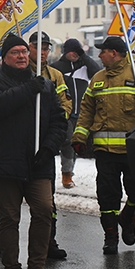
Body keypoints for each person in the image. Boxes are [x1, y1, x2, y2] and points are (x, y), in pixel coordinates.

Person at [0, 34, 66, 269]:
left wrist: (49, 147)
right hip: (7, 163)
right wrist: (28, 89)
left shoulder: (46, 86)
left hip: (39, 164)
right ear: (4, 57)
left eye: (24, 52)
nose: (21, 56)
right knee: (9, 217)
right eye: (15, 52)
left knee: (43, 211)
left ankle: (36, 268)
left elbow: (59, 121)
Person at [72, 36, 135, 254]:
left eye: (102, 51)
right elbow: (86, 111)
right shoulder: (97, 79)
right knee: (107, 196)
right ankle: (110, 236)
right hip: (105, 152)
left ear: (114, 53)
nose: (100, 55)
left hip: (133, 149)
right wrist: (79, 137)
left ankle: (127, 218)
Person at [28, 32, 70, 260]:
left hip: (46, 143)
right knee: (9, 198)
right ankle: (0, 235)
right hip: (22, 144)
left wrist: (56, 120)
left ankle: (49, 241)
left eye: (46, 48)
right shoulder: (22, 71)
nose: (43, 51)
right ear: (29, 48)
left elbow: (65, 103)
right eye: (38, 47)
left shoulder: (55, 75)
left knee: (48, 199)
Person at [51, 38, 102, 188]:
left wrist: (84, 56)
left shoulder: (85, 66)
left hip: (81, 113)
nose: (74, 55)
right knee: (66, 142)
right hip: (64, 112)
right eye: (71, 51)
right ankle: (66, 174)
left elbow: (97, 72)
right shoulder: (57, 68)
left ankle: (70, 172)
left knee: (76, 144)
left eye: (76, 52)